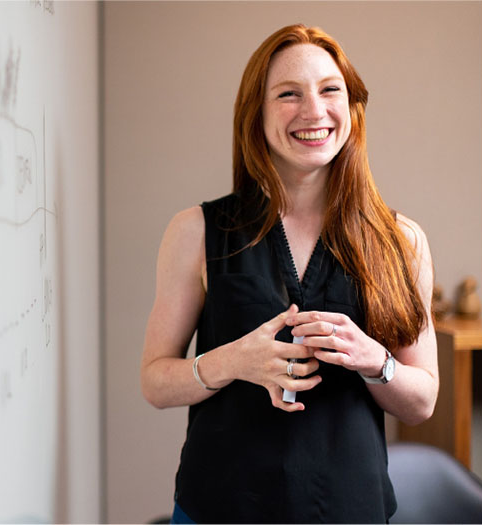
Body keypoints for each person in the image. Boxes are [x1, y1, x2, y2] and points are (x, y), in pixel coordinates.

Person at [141, 24, 438, 523]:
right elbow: (154, 381)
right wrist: (233, 360)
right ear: (255, 114)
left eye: (329, 90)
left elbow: (422, 401)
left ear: (352, 108)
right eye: (288, 94)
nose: (313, 111)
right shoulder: (196, 232)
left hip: (351, 510)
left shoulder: (401, 241)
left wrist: (373, 359)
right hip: (220, 509)